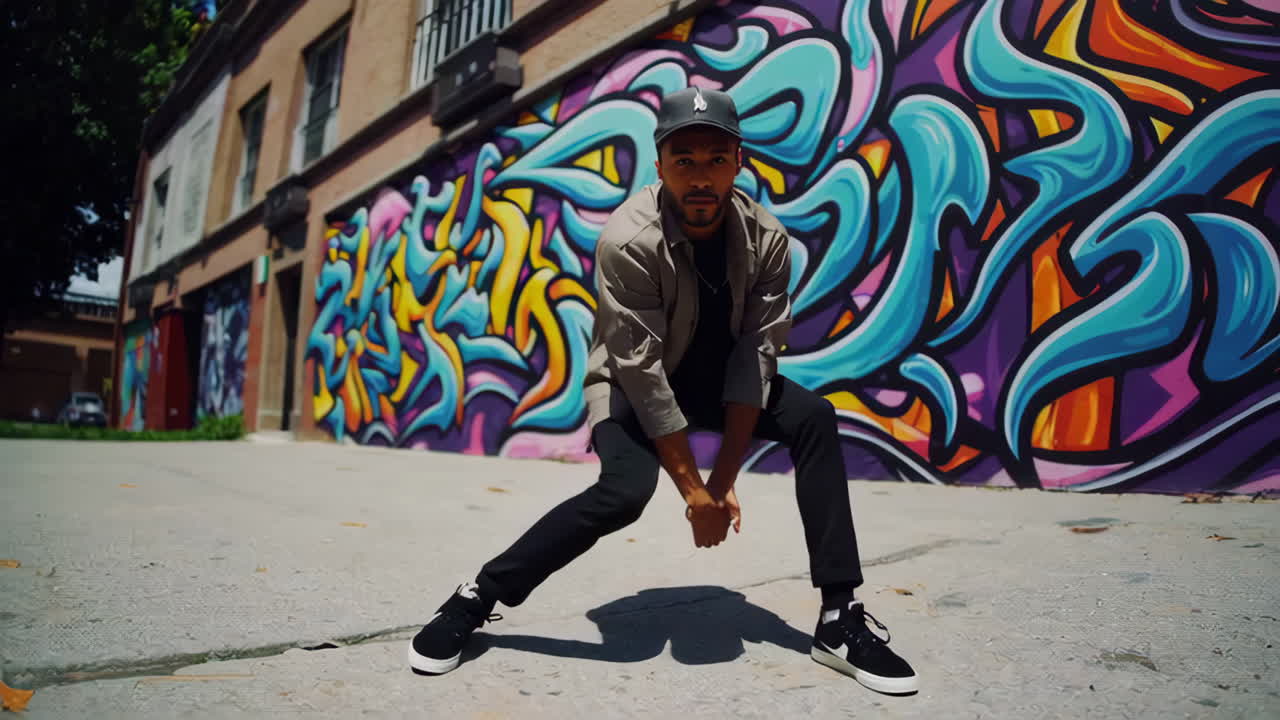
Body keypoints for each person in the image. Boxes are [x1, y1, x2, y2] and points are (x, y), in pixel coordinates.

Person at [407, 87, 919, 695]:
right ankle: (475, 598)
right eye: (684, 160)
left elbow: (756, 360)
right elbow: (643, 376)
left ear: (738, 162)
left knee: (813, 417)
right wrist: (693, 492)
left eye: (715, 159)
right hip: (631, 382)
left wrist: (721, 486)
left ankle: (838, 619)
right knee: (624, 492)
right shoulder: (628, 240)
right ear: (660, 166)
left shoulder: (768, 239)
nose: (700, 177)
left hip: (718, 380)